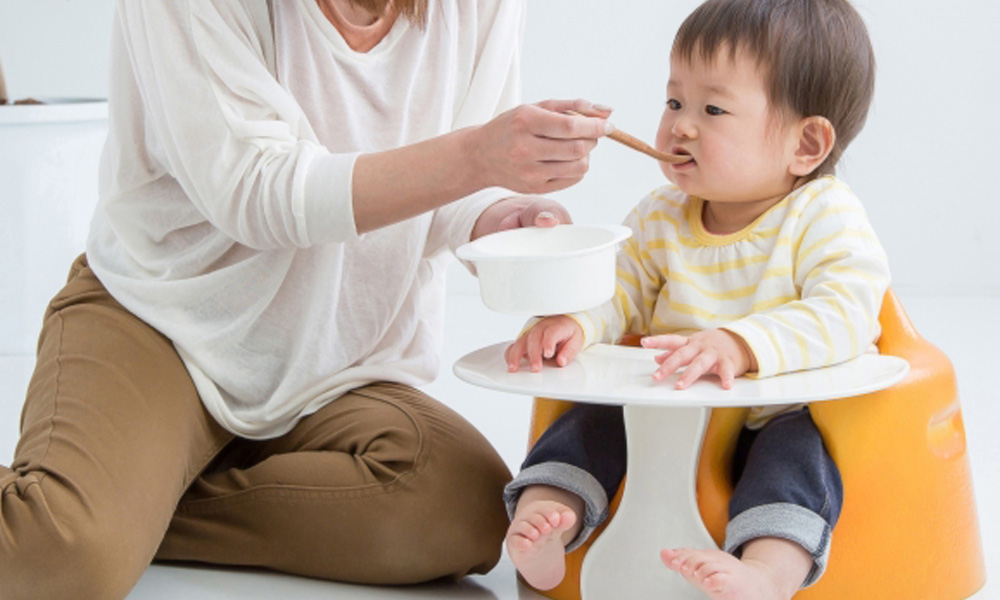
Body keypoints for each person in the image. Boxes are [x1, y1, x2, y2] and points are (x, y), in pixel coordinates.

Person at [0, 0, 615, 598]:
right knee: (60, 554)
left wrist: (502, 215)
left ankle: (131, 505)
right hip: (163, 321)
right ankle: (104, 514)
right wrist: (478, 155)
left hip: (335, 361)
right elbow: (257, 192)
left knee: (466, 511)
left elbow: (450, 191)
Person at [502, 0, 890, 598]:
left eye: (712, 109)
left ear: (806, 145)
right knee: (585, 423)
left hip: (770, 415)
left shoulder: (823, 215)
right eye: (674, 101)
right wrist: (577, 321)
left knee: (795, 464)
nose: (680, 125)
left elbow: (848, 313)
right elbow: (621, 287)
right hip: (660, 408)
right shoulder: (663, 214)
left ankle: (766, 572)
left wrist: (741, 344)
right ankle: (547, 518)